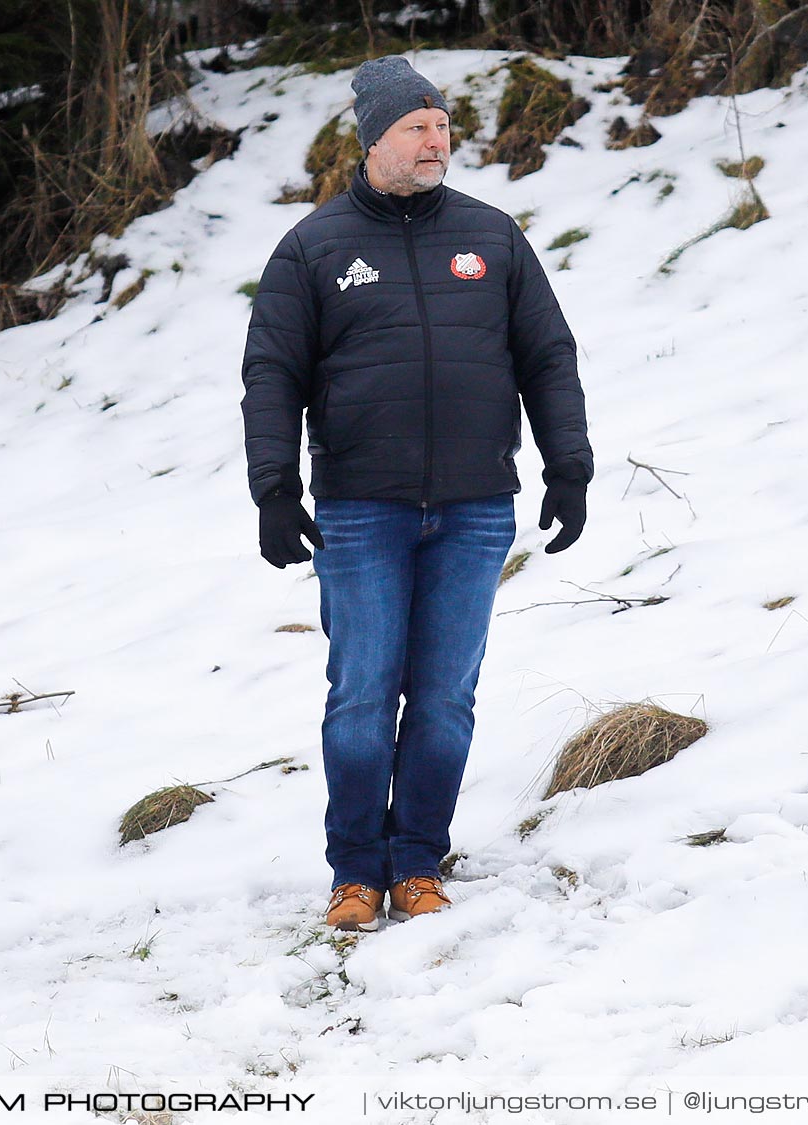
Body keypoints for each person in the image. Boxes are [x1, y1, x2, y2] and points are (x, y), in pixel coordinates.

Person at [240, 57, 593, 931]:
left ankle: (417, 863)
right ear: (375, 141)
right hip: (364, 508)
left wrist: (569, 465)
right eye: (417, 128)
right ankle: (356, 871)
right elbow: (272, 375)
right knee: (362, 693)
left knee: (443, 698)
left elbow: (548, 355)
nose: (437, 142)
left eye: (442, 126)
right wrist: (275, 489)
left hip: (476, 508)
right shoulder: (314, 248)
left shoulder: (494, 237)